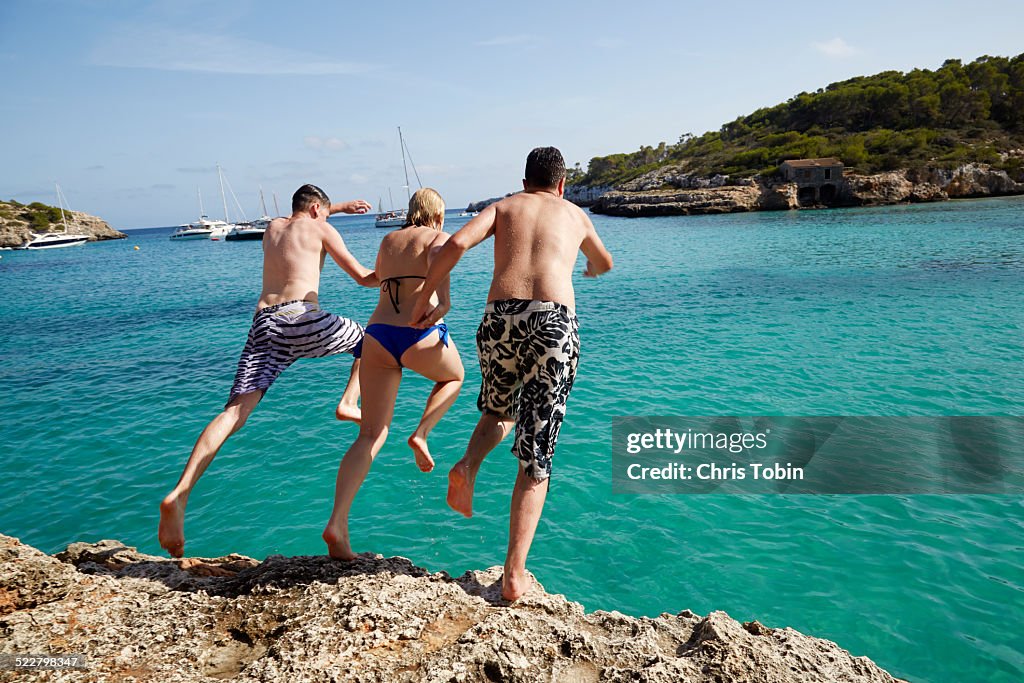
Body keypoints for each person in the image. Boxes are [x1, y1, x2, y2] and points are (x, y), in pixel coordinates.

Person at [410, 147, 614, 601]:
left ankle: (467, 464)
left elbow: (455, 244)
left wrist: (427, 296)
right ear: (562, 184)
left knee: (500, 410)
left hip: (498, 319)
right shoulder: (574, 214)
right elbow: (605, 262)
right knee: (537, 454)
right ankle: (514, 572)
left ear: (524, 181)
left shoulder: (503, 207)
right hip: (552, 323)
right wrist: (589, 268)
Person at [158, 184, 377, 558]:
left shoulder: (273, 228)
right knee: (372, 341)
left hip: (263, 323)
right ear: (315, 210)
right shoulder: (321, 227)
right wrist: (405, 273)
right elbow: (361, 276)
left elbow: (305, 214)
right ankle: (348, 403)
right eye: (324, 212)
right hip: (300, 316)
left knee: (234, 413)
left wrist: (336, 207)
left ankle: (179, 495)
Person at [322, 188, 465, 561]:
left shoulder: (388, 239)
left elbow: (376, 279)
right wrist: (444, 299)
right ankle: (421, 433)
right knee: (453, 378)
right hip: (420, 332)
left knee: (370, 434)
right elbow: (441, 255)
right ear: (436, 215)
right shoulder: (437, 235)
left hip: (378, 336)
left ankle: (337, 522)